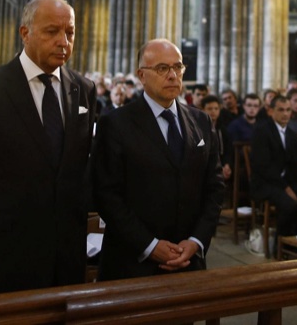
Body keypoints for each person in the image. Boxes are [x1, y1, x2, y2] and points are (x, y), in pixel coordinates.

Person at [0, 0, 97, 295]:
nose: (63, 41)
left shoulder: (83, 89)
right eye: (52, 31)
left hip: (66, 260)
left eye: (69, 32)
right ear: (25, 33)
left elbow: (78, 169)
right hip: (3, 257)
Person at [91, 39, 224, 280]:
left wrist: (196, 241)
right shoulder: (116, 124)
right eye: (162, 68)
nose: (172, 75)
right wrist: (150, 246)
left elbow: (214, 187)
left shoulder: (201, 121)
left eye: (178, 67)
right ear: (142, 75)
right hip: (133, 264)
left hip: (188, 261)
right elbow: (106, 194)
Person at [249, 94, 297, 236]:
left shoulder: (291, 134)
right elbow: (263, 167)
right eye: (281, 110)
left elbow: (293, 163)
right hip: (264, 183)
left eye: (288, 110)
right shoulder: (262, 131)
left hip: (283, 181)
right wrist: (286, 188)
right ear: (271, 111)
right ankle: (281, 242)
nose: (285, 114)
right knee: (289, 204)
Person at [201, 95, 232, 181]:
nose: (213, 111)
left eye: (216, 108)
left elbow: (228, 150)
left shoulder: (223, 129)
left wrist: (227, 164)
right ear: (203, 110)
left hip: (220, 164)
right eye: (209, 109)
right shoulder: (198, 129)